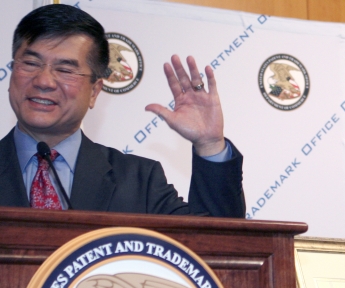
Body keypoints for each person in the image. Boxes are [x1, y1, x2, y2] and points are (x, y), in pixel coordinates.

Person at [0, 4, 245, 217]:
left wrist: (210, 145)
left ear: (94, 91)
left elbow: (217, 244)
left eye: (65, 70)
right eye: (31, 63)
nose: (44, 81)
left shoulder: (140, 181)